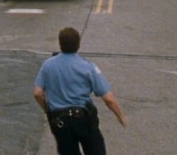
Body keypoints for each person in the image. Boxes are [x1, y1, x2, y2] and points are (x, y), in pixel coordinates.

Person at [34, 27, 127, 155]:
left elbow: (38, 93)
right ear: (78, 45)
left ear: (60, 44)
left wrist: (48, 110)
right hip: (84, 120)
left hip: (60, 122)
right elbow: (108, 99)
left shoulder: (47, 65)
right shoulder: (87, 67)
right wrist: (120, 116)